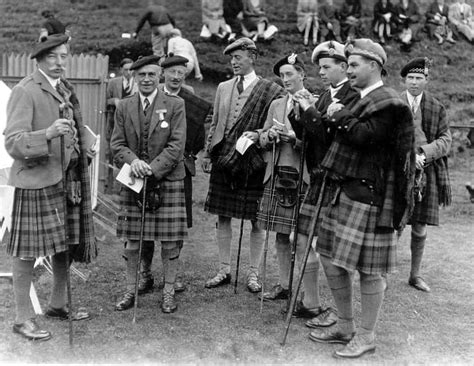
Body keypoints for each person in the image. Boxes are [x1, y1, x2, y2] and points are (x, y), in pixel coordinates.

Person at [298, 38, 415, 358]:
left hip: (370, 195)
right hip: (343, 190)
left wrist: (338, 114)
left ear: (374, 67)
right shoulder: (360, 97)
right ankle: (346, 325)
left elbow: (367, 137)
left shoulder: (387, 102)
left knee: (368, 270)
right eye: (347, 64)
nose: (348, 70)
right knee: (332, 261)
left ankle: (366, 335)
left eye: (353, 65)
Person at [4, 34, 96, 341]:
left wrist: (83, 145)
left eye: (64, 56)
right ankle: (21, 319)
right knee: (26, 251)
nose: (60, 63)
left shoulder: (64, 89)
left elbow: (71, 129)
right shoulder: (25, 90)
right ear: (40, 59)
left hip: (66, 178)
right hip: (35, 180)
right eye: (53, 57)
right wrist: (47, 134)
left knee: (65, 244)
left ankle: (57, 305)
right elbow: (13, 143)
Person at [201, 37, 283, 292]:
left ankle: (253, 274)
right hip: (223, 158)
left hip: (253, 160)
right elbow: (215, 122)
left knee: (256, 220)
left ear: (252, 58)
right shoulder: (223, 87)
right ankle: (224, 269)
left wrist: (257, 134)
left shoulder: (269, 89)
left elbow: (274, 125)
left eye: (238, 57)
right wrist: (207, 153)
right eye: (231, 58)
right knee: (222, 215)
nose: (233, 62)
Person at [111, 55, 187, 314]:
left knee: (169, 242)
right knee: (132, 241)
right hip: (133, 180)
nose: (146, 79)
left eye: (151, 75)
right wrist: (134, 163)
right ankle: (130, 289)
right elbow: (117, 145)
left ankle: (168, 292)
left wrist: (152, 169)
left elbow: (177, 146)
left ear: (159, 77)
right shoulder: (124, 106)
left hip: (167, 179)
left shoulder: (176, 105)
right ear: (134, 77)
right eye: (141, 75)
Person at [293, 41, 360, 326]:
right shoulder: (324, 96)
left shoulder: (354, 98)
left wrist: (309, 110)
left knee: (329, 250)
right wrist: (299, 111)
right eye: (319, 67)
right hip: (317, 178)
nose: (320, 72)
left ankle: (340, 313)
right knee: (302, 240)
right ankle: (311, 303)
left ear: (343, 67)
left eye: (326, 67)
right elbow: (308, 135)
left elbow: (329, 139)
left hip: (336, 181)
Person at [137, 54, 211, 295]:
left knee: (175, 227)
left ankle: (172, 275)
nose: (177, 77)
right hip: (147, 168)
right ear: (163, 73)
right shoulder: (150, 94)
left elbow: (198, 138)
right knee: (144, 225)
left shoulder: (193, 102)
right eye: (172, 72)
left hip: (179, 169)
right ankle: (144, 273)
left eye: (181, 72)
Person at [256, 54, 318, 317]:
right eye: (282, 76)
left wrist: (295, 138)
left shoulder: (314, 103)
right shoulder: (277, 104)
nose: (285, 80)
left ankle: (308, 294)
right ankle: (284, 285)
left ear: (301, 74)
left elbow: (319, 143)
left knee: (303, 238)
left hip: (303, 176)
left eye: (290, 74)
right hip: (278, 173)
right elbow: (261, 136)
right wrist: (268, 135)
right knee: (281, 234)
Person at [400, 57, 452, 293]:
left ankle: (415, 275)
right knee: (391, 225)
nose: (414, 82)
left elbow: (446, 140)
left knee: (420, 227)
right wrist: (409, 155)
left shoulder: (436, 106)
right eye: (410, 78)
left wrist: (424, 153)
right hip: (396, 172)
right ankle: (381, 274)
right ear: (404, 79)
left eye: (418, 78)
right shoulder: (393, 103)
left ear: (426, 80)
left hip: (425, 175)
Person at [105, 58, 137, 194]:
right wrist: (114, 101)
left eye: (131, 69)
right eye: (125, 69)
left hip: (132, 124)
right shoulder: (113, 83)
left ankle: (126, 187)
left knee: (130, 154)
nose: (128, 72)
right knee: (113, 154)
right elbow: (105, 100)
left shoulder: (137, 82)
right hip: (115, 123)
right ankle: (110, 186)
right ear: (120, 70)